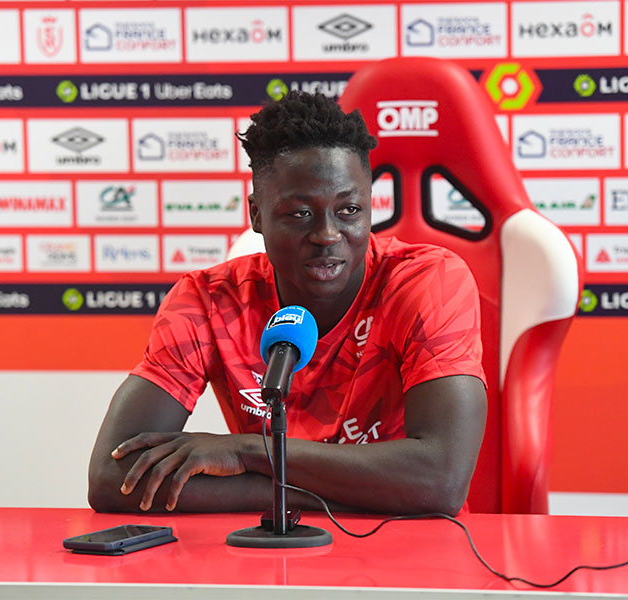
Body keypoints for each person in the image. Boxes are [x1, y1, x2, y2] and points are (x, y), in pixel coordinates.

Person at [88, 91, 487, 517]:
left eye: (349, 209)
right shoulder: (207, 299)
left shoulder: (428, 281)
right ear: (257, 215)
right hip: (271, 547)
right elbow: (114, 478)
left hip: (410, 547)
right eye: (299, 214)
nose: (328, 235)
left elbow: (441, 481)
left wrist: (246, 452)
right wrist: (313, 498)